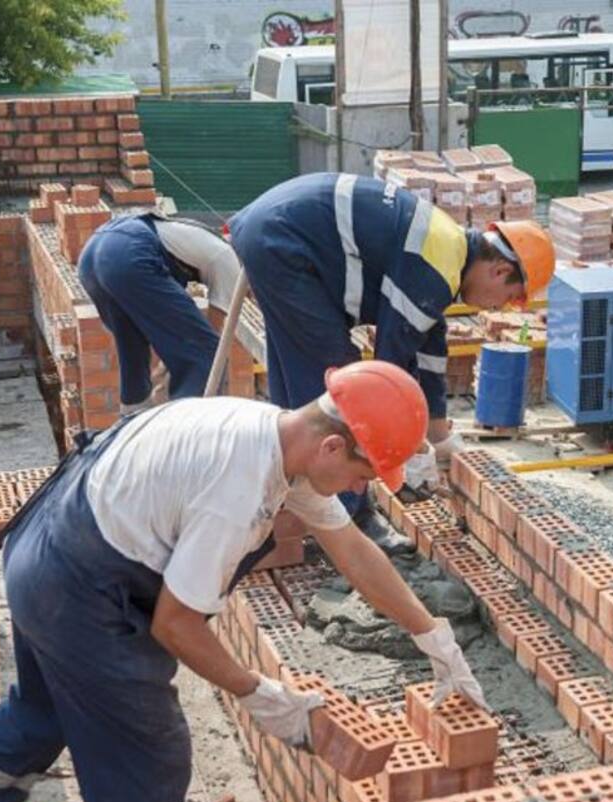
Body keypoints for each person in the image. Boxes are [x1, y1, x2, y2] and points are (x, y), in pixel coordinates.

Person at [0, 361, 487, 802]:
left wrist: (431, 635)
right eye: (364, 475)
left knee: (49, 705)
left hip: (47, 548)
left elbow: (354, 552)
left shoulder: (277, 437)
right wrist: (262, 695)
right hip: (78, 593)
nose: (360, 489)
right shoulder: (236, 491)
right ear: (333, 447)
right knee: (151, 753)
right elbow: (175, 624)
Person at [228, 173, 555, 550]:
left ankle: (288, 496)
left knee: (299, 378)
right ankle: (352, 519)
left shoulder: (447, 255)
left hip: (276, 233)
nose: (497, 307)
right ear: (499, 270)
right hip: (284, 243)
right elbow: (389, 367)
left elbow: (429, 353)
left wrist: (439, 436)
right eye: (508, 297)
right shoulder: (436, 266)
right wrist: (411, 451)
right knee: (338, 383)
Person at [77, 213, 241, 414]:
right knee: (205, 353)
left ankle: (133, 418)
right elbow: (211, 335)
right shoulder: (229, 260)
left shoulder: (201, 238)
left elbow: (175, 333)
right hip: (131, 253)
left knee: (132, 344)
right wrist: (172, 378)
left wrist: (167, 367)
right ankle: (186, 429)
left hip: (93, 253)